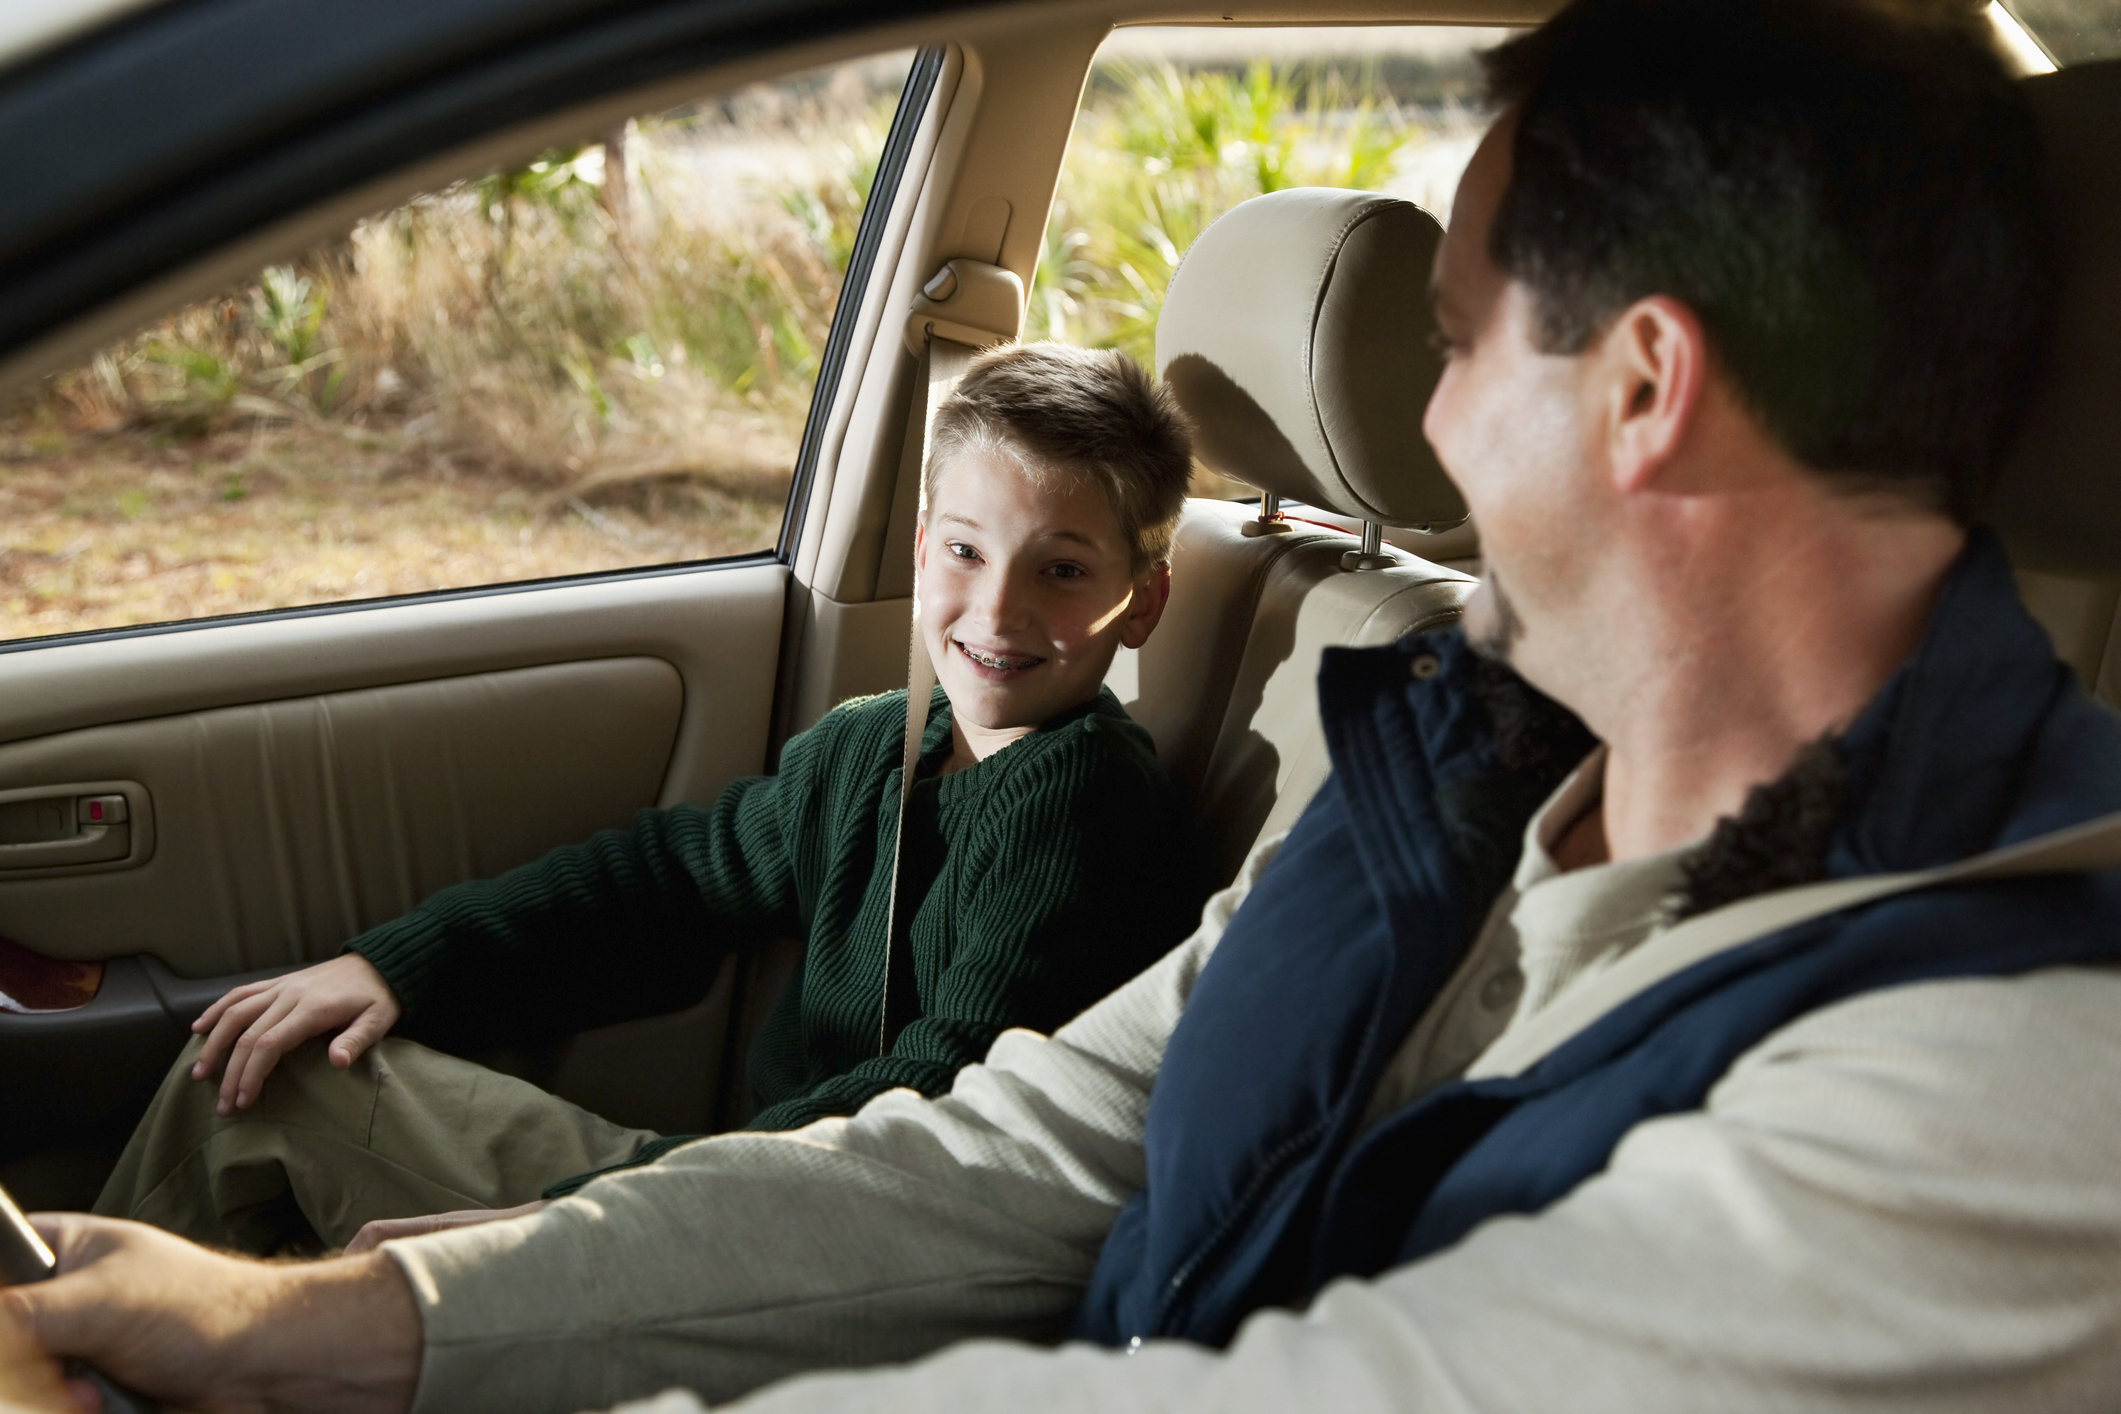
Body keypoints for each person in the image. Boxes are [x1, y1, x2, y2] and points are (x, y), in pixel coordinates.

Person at [13, 0, 2121, 1409]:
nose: (1427, 414)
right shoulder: (1455, 780)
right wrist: (346, 1318)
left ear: (1642, 387)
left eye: (1461, 335)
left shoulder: (2012, 1072)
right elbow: (1015, 1146)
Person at [90, 339, 1210, 1256]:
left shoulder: (1086, 814)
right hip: (721, 1191)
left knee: (268, 1102)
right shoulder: (881, 747)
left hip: (823, 1244)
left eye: (1062, 569)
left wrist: (588, 1217)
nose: (997, 609)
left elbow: (937, 1098)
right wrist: (396, 962)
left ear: (1142, 601)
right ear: (922, 549)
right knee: (259, 1066)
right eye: (966, 551)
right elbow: (669, 878)